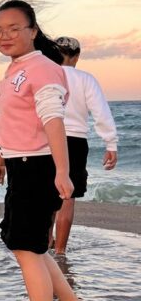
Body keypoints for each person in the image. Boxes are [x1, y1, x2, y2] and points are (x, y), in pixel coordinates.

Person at [0, 0, 91, 301]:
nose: (4, 36)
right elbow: (12, 123)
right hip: (20, 165)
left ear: (32, 31)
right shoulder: (16, 68)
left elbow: (52, 120)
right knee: (32, 246)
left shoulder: (43, 68)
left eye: (13, 28)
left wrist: (62, 171)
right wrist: (0, 160)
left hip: (38, 166)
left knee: (25, 248)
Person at [50, 37, 119, 255]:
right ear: (77, 56)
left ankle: (44, 245)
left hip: (45, 138)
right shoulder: (85, 79)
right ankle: (60, 251)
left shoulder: (45, 76)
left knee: (47, 195)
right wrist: (110, 143)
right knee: (67, 196)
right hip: (74, 140)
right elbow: (101, 112)